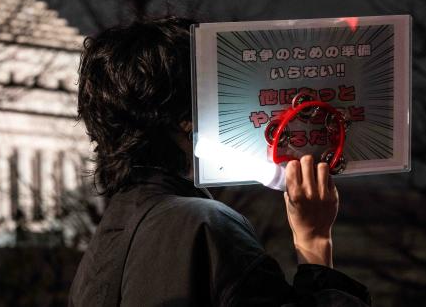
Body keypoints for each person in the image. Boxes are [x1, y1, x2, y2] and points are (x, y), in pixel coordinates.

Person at [69, 16, 371, 307]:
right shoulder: (207, 224)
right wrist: (314, 240)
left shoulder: (101, 248)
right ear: (188, 116)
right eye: (220, 88)